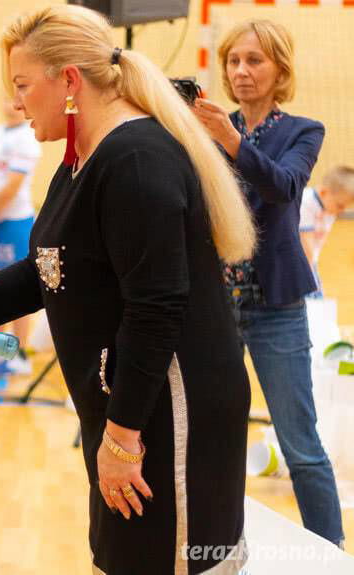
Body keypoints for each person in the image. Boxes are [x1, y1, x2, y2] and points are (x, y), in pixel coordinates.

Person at [0, 5, 256, 574]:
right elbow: (48, 268)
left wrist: (122, 436)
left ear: (68, 81)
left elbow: (156, 310)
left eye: (21, 85)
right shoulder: (84, 155)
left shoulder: (136, 160)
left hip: (166, 414)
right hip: (127, 411)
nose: (15, 102)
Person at [193, 18, 344, 546]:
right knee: (213, 436)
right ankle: (213, 547)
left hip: (276, 304)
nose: (241, 71)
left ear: (280, 68)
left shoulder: (304, 130)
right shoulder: (208, 128)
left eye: (254, 60)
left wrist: (228, 140)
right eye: (234, 60)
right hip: (213, 304)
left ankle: (332, 553)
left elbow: (282, 187)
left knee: (300, 444)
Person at [0, 97, 41, 376]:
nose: (11, 103)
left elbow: (13, 185)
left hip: (12, 222)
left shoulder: (27, 138)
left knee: (18, 289)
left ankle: (19, 352)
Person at [299, 165, 354, 293]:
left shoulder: (329, 206)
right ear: (323, 192)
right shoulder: (306, 203)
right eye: (340, 206)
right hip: (300, 264)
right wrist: (310, 278)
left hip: (310, 262)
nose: (341, 211)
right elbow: (306, 245)